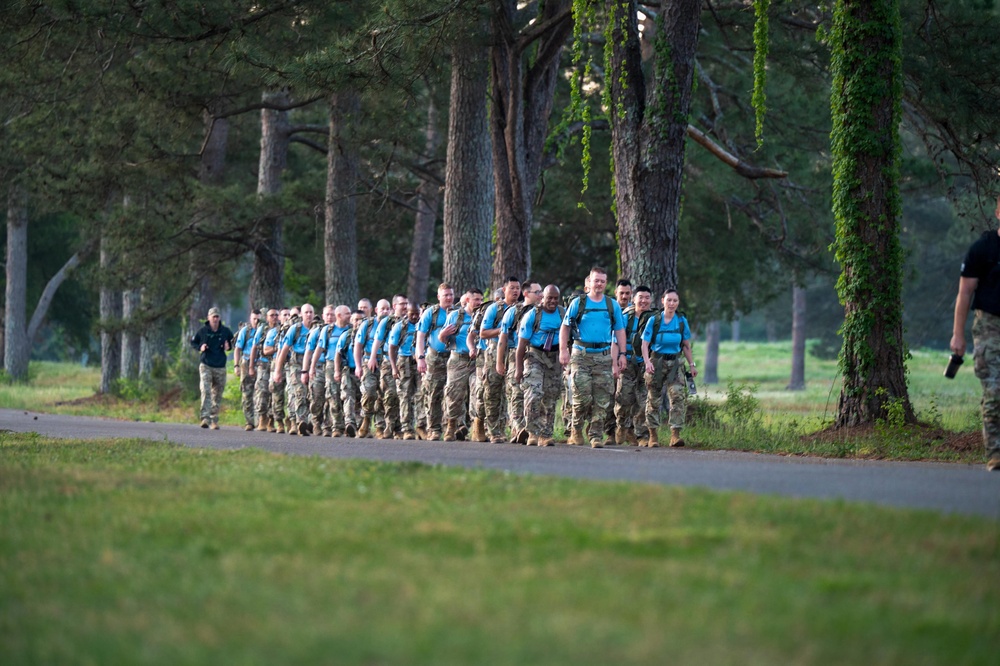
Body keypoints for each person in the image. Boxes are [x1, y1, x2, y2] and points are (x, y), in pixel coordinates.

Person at [951, 202, 1000, 471]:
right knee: (994, 390)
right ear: (998, 213)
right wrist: (958, 335)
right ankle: (995, 452)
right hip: (990, 325)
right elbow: (964, 294)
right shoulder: (983, 249)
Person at [559, 267, 627, 448]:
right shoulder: (578, 303)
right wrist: (563, 350)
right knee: (582, 397)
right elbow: (565, 327)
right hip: (581, 355)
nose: (599, 284)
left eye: (602, 281)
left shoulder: (612, 305)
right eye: (596, 280)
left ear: (606, 283)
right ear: (589, 282)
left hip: (604, 357)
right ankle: (576, 430)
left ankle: (596, 435)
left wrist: (622, 354)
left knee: (602, 400)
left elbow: (619, 330)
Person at [641, 289, 696, 448]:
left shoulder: (681, 321)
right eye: (669, 300)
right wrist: (647, 362)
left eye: (675, 301)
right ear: (662, 301)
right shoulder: (654, 320)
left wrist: (691, 365)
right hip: (656, 362)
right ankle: (653, 436)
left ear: (678, 303)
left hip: (675, 363)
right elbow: (645, 344)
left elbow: (685, 345)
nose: (672, 304)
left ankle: (675, 435)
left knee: (678, 396)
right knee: (654, 399)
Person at [515, 285, 564, 446]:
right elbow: (521, 345)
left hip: (554, 357)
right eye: (549, 297)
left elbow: (569, 337)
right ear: (543, 297)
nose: (552, 301)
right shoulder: (532, 316)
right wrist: (519, 368)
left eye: (555, 298)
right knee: (533, 394)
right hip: (535, 356)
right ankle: (532, 432)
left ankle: (546, 434)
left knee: (551, 396)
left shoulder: (562, 314)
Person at [497, 281, 542, 442]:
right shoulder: (513, 312)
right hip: (515, 354)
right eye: (537, 292)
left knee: (533, 393)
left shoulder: (543, 311)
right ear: (526, 293)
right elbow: (502, 338)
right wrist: (499, 362)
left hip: (536, 355)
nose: (540, 295)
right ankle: (517, 429)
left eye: (541, 291)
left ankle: (531, 428)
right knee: (515, 393)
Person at [480, 277, 520, 443]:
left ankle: (516, 429)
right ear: (504, 290)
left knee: (514, 392)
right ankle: (494, 431)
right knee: (493, 392)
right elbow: (483, 333)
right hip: (495, 352)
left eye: (518, 288)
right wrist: (502, 330)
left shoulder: (522, 309)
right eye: (512, 288)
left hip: (514, 351)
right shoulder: (494, 309)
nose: (515, 291)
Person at [441, 288, 483, 441]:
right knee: (454, 394)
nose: (479, 303)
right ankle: (451, 425)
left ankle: (477, 427)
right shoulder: (455, 316)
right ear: (467, 300)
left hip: (477, 361)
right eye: (476, 299)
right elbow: (443, 338)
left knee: (478, 392)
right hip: (458, 359)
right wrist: (443, 335)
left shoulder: (483, 315)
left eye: (480, 299)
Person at [415, 283, 456, 440]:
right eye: (445, 295)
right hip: (434, 357)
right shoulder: (431, 313)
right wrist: (420, 358)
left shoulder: (457, 312)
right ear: (439, 297)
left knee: (452, 392)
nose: (449, 298)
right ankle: (433, 429)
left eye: (451, 295)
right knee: (433, 393)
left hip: (453, 356)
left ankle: (450, 428)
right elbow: (420, 336)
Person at [615, 286, 654, 445]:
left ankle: (641, 435)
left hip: (646, 363)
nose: (643, 301)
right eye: (640, 297)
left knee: (644, 400)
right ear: (634, 299)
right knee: (624, 397)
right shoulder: (625, 317)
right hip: (627, 362)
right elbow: (615, 340)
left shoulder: (654, 318)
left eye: (647, 297)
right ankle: (622, 427)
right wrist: (616, 360)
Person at [273, 303, 315, 435]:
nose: (309, 314)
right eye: (306, 312)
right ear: (301, 315)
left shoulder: (317, 329)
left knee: (312, 395)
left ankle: (309, 421)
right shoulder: (295, 329)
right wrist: (277, 370)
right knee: (298, 392)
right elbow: (284, 350)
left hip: (313, 364)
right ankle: (298, 421)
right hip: (295, 365)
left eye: (311, 312)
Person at [189, 307, 234, 429]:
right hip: (206, 364)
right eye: (213, 317)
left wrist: (228, 346)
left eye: (217, 317)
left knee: (217, 393)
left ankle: (214, 419)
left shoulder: (225, 331)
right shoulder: (203, 331)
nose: (215, 319)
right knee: (206, 390)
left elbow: (234, 342)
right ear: (208, 318)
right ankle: (205, 418)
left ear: (220, 318)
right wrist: (200, 347)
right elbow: (193, 341)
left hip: (220, 365)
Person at [355, 299, 391, 438]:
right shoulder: (368, 325)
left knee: (384, 394)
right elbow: (358, 346)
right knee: (369, 392)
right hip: (369, 361)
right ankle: (366, 419)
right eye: (382, 309)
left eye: (387, 309)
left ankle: (380, 427)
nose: (385, 311)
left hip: (386, 361)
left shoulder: (392, 324)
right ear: (376, 310)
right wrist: (358, 366)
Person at [318, 305, 353, 436]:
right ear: (339, 315)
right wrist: (309, 369)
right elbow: (319, 349)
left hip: (347, 365)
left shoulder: (351, 330)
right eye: (347, 313)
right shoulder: (328, 330)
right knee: (333, 395)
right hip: (331, 365)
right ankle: (335, 426)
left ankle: (348, 424)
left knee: (347, 394)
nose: (350, 316)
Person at [389, 303, 421, 440]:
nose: (414, 316)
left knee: (421, 393)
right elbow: (392, 348)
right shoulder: (399, 327)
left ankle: (421, 426)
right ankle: (407, 428)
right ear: (406, 313)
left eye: (416, 313)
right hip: (404, 362)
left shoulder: (423, 324)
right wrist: (394, 367)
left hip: (420, 361)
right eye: (411, 313)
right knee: (405, 395)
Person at [304, 305, 336, 436]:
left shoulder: (341, 331)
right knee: (317, 397)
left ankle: (328, 425)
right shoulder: (316, 331)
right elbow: (309, 351)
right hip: (318, 368)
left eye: (332, 314)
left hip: (334, 368)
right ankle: (316, 422)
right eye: (327, 314)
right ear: (323, 316)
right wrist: (306, 370)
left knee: (332, 397)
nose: (329, 317)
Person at [248, 308, 279, 432]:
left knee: (274, 392)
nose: (274, 317)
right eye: (272, 315)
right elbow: (254, 348)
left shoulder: (281, 329)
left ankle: (271, 421)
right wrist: (251, 366)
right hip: (263, 363)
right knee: (261, 391)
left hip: (276, 364)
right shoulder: (262, 330)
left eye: (276, 315)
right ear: (267, 318)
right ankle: (262, 419)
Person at [233, 309, 261, 431]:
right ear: (250, 318)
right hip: (246, 361)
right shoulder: (246, 331)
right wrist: (236, 366)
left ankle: (260, 420)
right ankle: (249, 421)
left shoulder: (263, 331)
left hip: (260, 362)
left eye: (258, 319)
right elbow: (237, 349)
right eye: (254, 318)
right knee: (247, 392)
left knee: (260, 392)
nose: (256, 321)